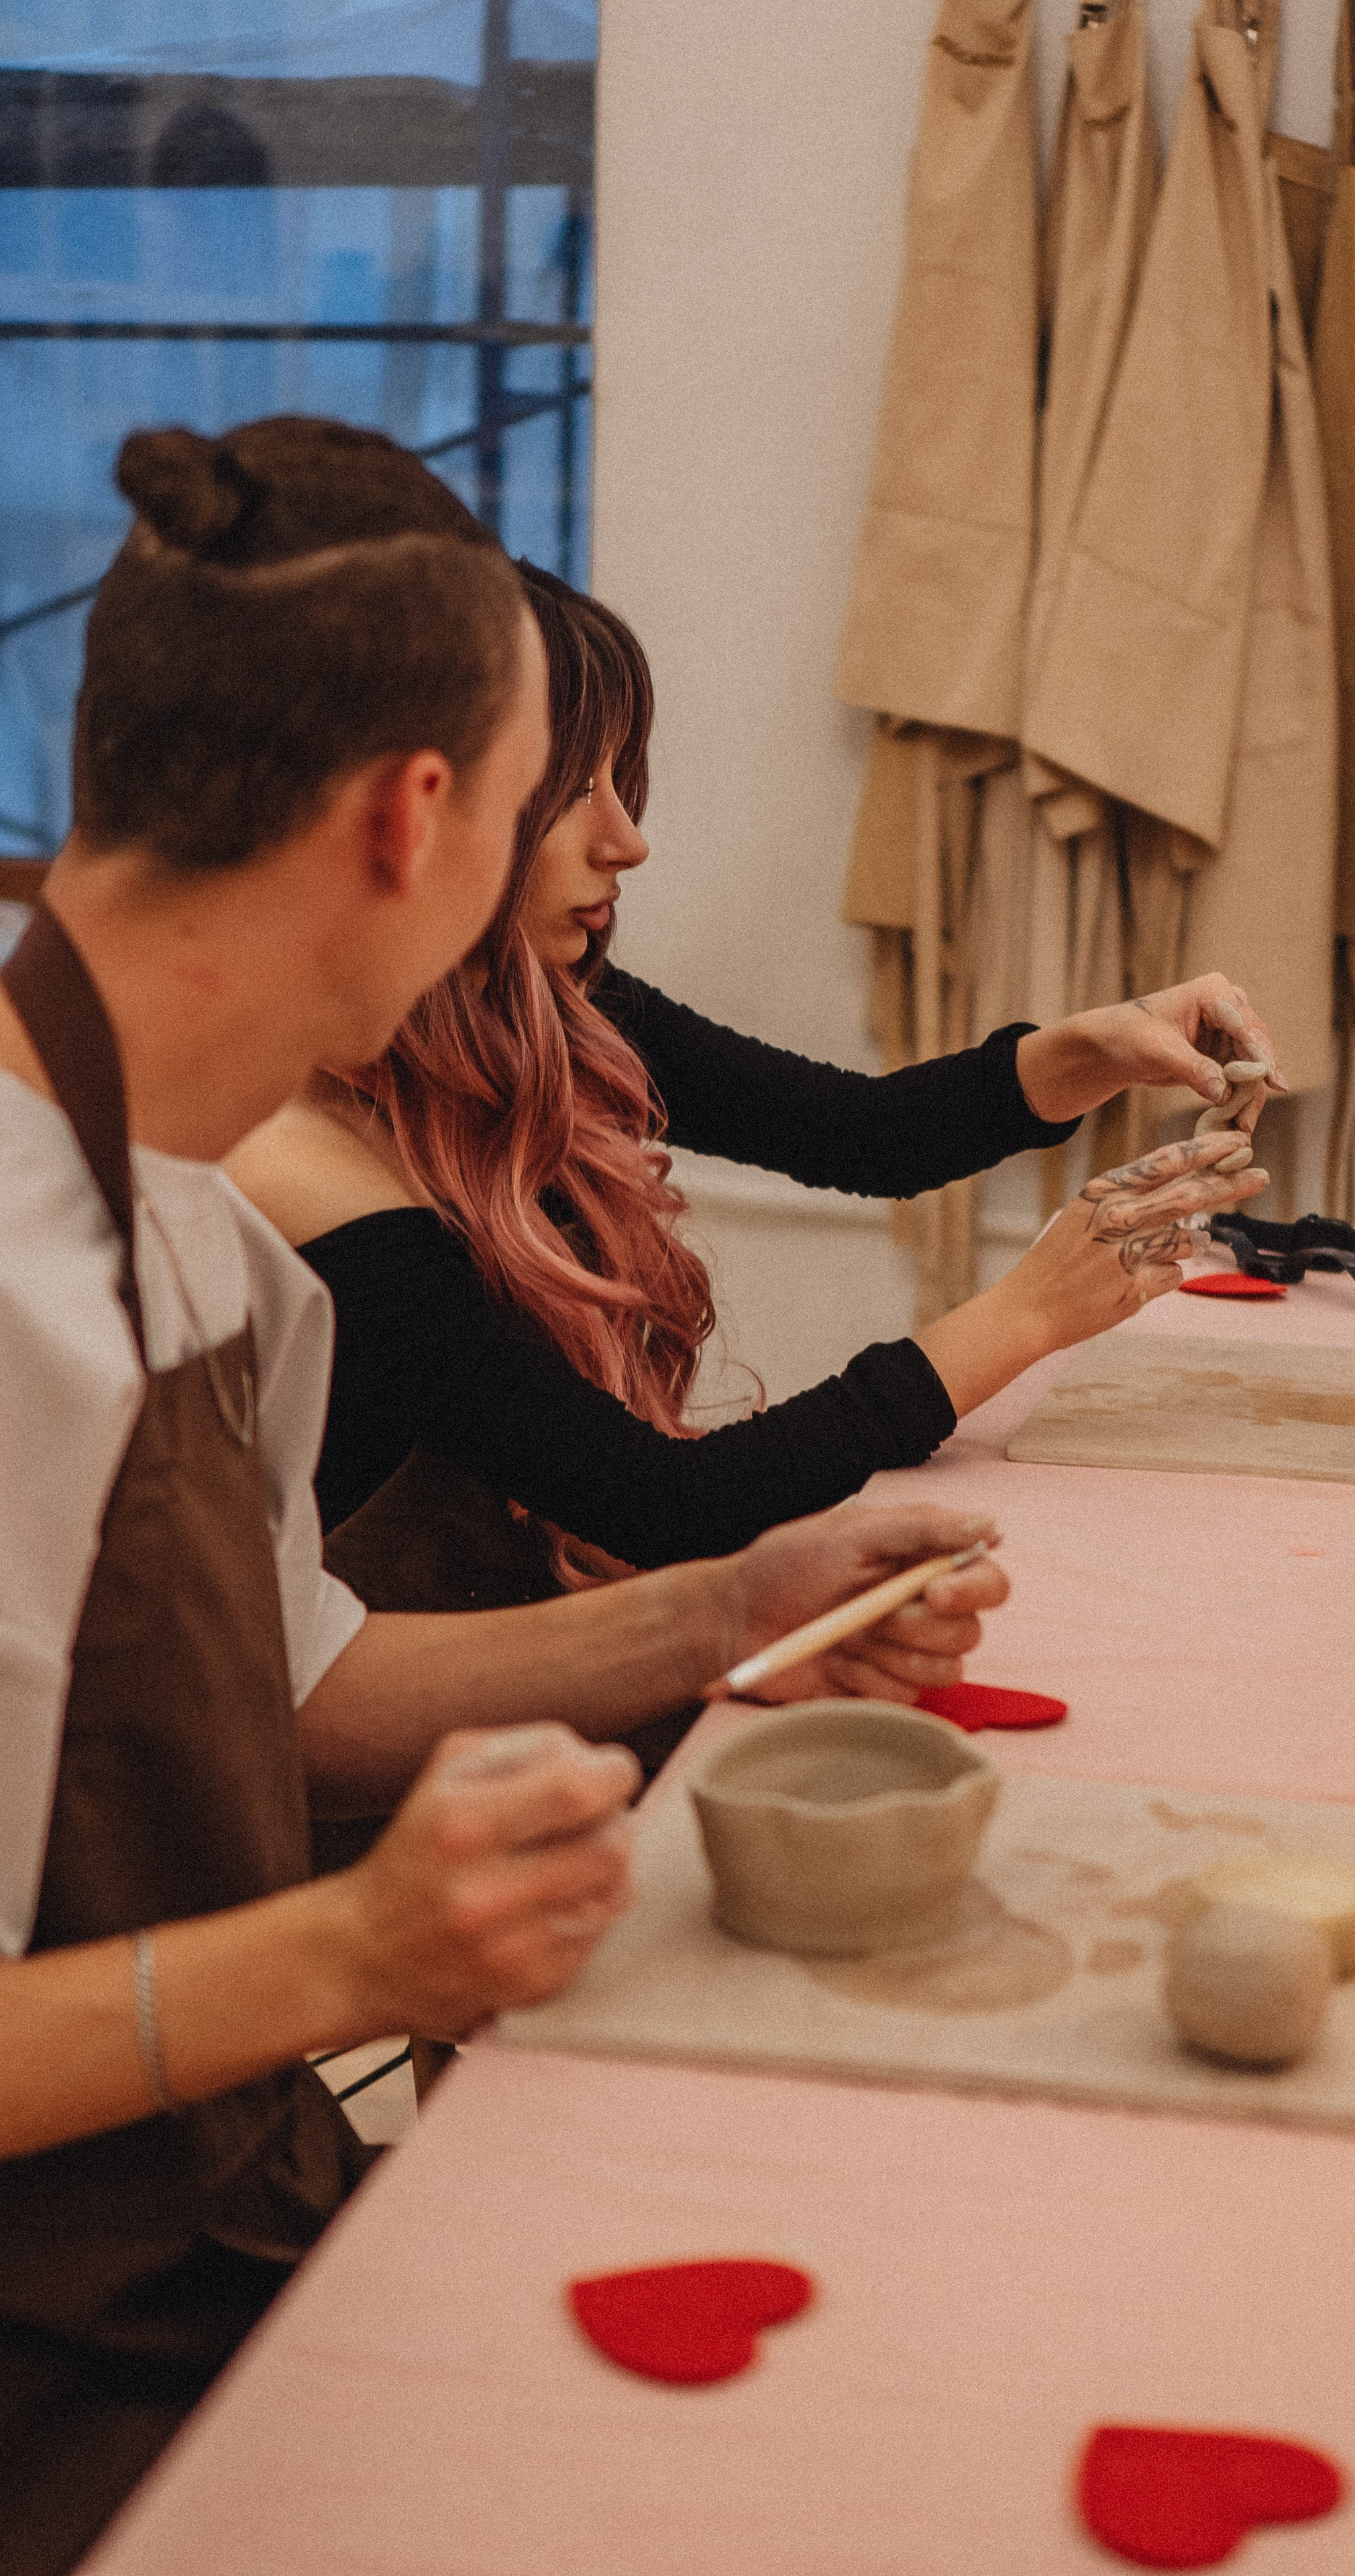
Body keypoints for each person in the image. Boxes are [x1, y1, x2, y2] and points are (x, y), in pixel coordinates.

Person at [0, 419, 1006, 2576]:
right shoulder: (13, 1282)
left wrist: (735, 1602)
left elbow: (293, 1688)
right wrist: (348, 1952)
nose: (610, 862)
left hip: (213, 2231)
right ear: (417, 817)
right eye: (570, 795)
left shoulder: (190, 1217)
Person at [228, 567, 1280, 1600]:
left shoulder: (548, 1008)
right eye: (570, 793)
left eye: (619, 782)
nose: (628, 842)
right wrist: (1025, 1317)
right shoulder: (310, 1170)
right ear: (425, 812)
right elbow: (670, 1503)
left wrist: (1101, 1045)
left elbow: (866, 1135)